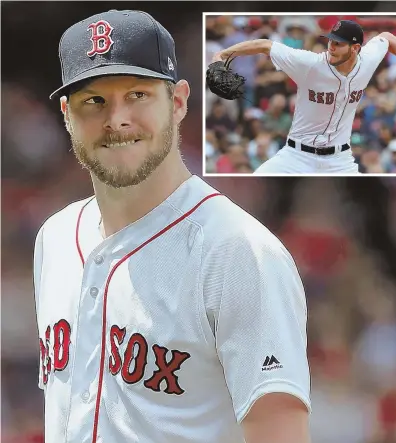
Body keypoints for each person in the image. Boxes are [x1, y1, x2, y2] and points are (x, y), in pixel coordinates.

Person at [33, 9, 311, 443]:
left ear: (178, 102)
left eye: (138, 95)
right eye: (94, 101)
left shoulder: (237, 251)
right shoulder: (53, 238)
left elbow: (280, 434)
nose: (117, 119)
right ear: (67, 114)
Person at [212, 19, 396, 175]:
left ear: (356, 48)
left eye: (338, 43)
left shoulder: (367, 61)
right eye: (331, 40)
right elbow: (264, 45)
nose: (331, 47)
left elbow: (388, 38)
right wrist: (221, 55)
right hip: (295, 156)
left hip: (340, 160)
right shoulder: (310, 63)